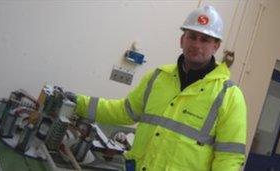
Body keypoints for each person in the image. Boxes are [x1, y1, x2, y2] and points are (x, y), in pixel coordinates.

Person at [72, 5, 247, 171]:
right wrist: (77, 103)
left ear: (216, 46)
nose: (196, 44)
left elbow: (229, 159)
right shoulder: (157, 78)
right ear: (181, 40)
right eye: (192, 36)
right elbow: (124, 111)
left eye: (205, 39)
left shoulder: (229, 95)